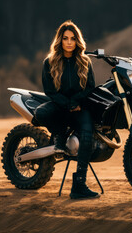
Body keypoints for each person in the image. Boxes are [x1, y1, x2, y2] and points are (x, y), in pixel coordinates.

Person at [34, 20, 99, 199]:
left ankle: (79, 185)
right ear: (60, 40)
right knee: (40, 112)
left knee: (87, 134)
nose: (69, 42)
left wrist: (77, 102)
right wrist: (66, 103)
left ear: (77, 41)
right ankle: (59, 136)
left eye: (72, 38)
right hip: (59, 107)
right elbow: (49, 91)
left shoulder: (85, 62)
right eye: (65, 38)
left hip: (80, 108)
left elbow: (90, 87)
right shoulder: (49, 62)